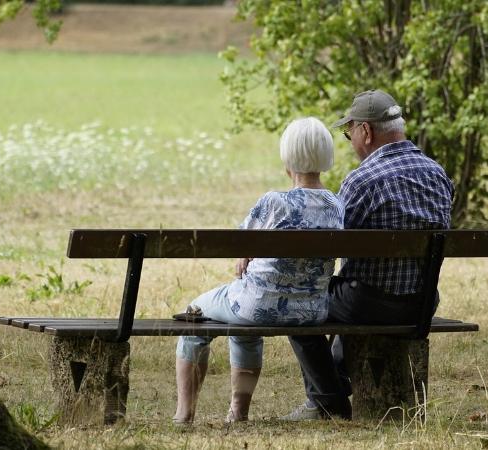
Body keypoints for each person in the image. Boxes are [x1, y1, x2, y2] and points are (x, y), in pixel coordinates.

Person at [282, 90, 455, 421]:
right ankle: (335, 383)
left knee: (296, 301)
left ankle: (327, 401)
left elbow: (329, 245)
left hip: (369, 303)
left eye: (349, 134)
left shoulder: (361, 181)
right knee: (349, 291)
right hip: (422, 303)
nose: (350, 142)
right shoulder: (438, 174)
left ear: (366, 131)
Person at [173, 117, 345, 424]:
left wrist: (246, 254)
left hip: (257, 305)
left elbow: (238, 243)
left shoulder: (274, 202)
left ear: (287, 157)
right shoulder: (336, 204)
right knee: (243, 325)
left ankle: (184, 414)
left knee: (194, 314)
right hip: (311, 311)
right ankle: (237, 413)